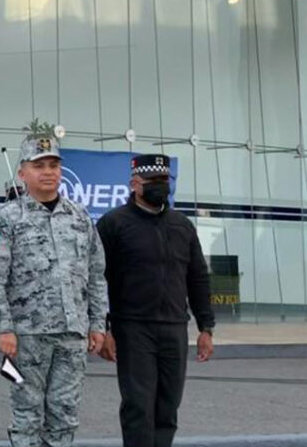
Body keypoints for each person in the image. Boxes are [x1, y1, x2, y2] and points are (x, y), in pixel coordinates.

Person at [0, 133, 108, 447]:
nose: (48, 171)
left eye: (53, 164)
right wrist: (4, 328)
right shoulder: (8, 218)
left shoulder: (79, 217)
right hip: (26, 337)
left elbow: (96, 274)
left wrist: (97, 324)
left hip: (72, 335)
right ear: (22, 172)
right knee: (26, 414)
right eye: (39, 165)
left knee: (64, 414)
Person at [97, 153, 215, 447]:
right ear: (135, 184)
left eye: (165, 180)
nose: (160, 186)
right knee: (138, 405)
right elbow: (97, 279)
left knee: (168, 406)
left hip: (174, 327)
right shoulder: (113, 224)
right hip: (133, 329)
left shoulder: (182, 226)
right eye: (153, 181)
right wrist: (103, 327)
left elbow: (198, 277)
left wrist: (206, 327)